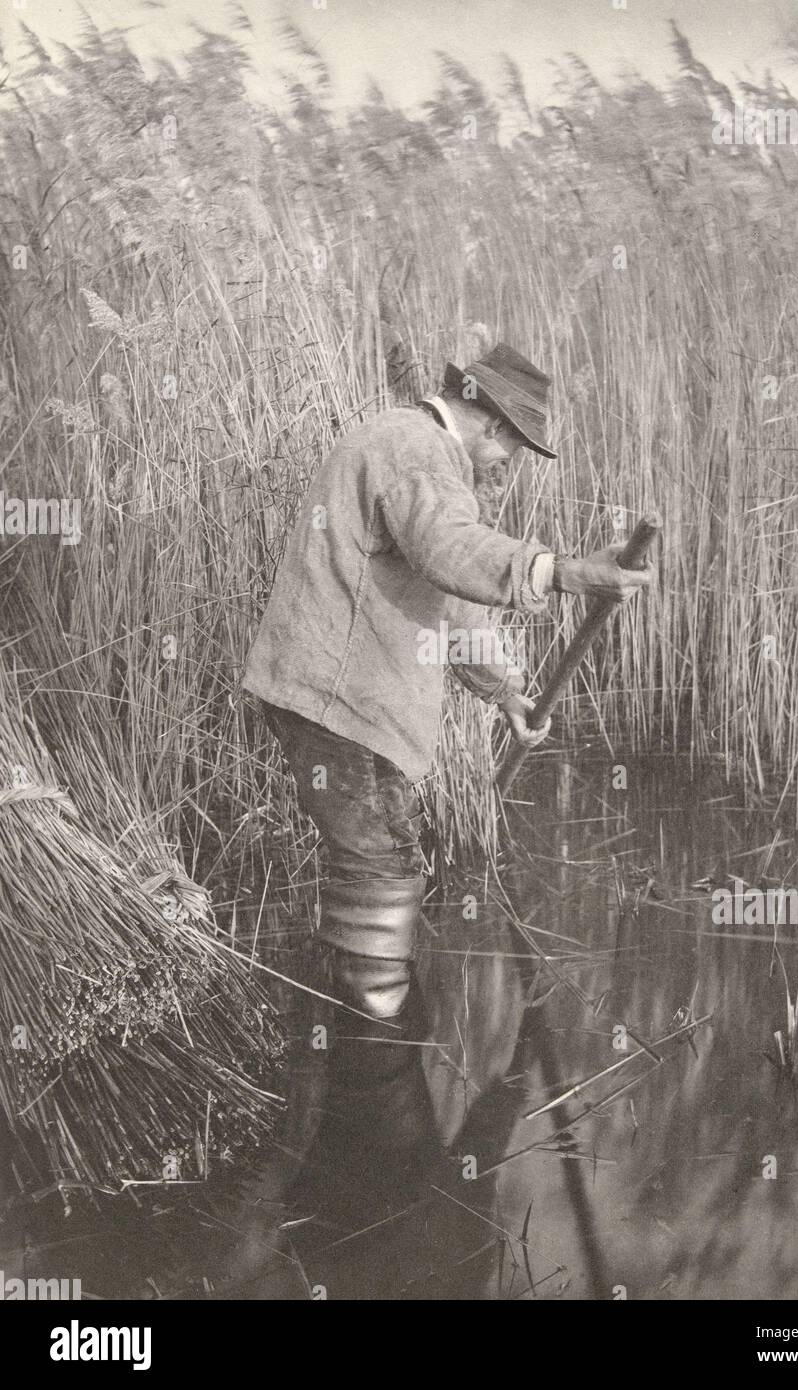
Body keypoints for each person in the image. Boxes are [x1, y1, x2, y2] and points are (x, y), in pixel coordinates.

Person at [235, 343, 650, 1241]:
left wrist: (507, 695)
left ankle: (358, 1039)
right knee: (385, 867)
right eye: (514, 447)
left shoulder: (425, 466)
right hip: (335, 705)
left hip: (342, 709)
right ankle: (372, 1040)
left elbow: (454, 605)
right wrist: (567, 570)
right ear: (489, 422)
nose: (510, 466)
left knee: (377, 862)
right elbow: (455, 550)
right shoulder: (416, 449)